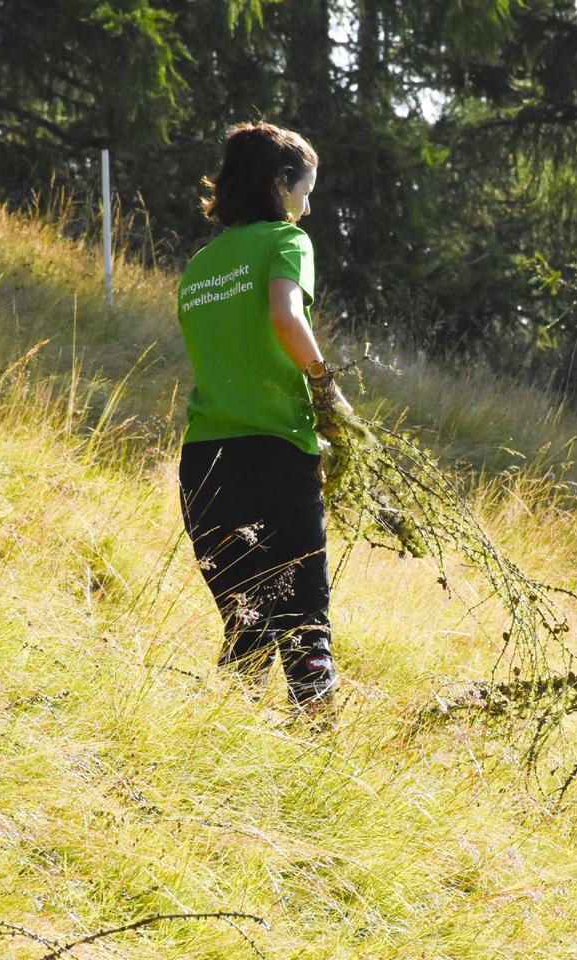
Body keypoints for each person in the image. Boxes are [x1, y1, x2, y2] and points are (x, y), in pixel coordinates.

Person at [175, 122, 363, 707]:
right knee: (306, 628)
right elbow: (285, 316)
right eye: (306, 190)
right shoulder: (286, 242)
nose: (308, 207)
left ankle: (231, 760)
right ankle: (325, 769)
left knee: (247, 629)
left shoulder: (201, 265)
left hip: (204, 463)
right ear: (282, 185)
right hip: (276, 454)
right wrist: (325, 389)